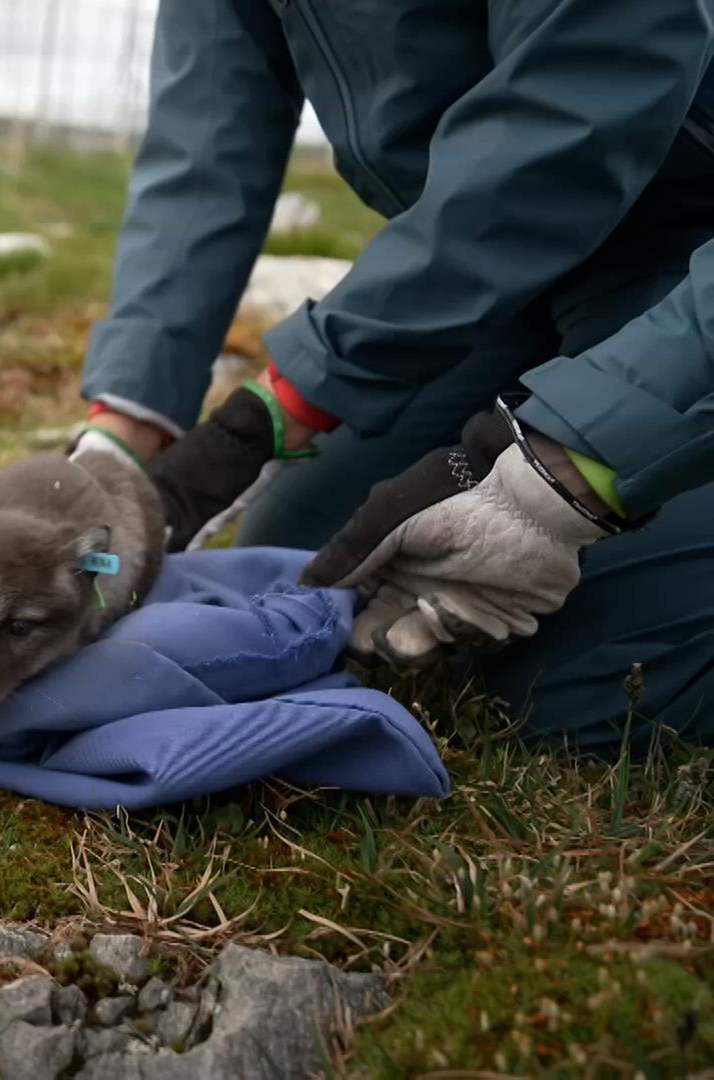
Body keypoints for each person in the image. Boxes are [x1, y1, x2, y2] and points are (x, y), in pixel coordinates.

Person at [75, 0, 714, 749]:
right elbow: (206, 138)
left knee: (595, 685)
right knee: (312, 555)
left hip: (680, 250)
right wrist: (119, 438)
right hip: (516, 285)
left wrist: (561, 480)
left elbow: (575, 111)